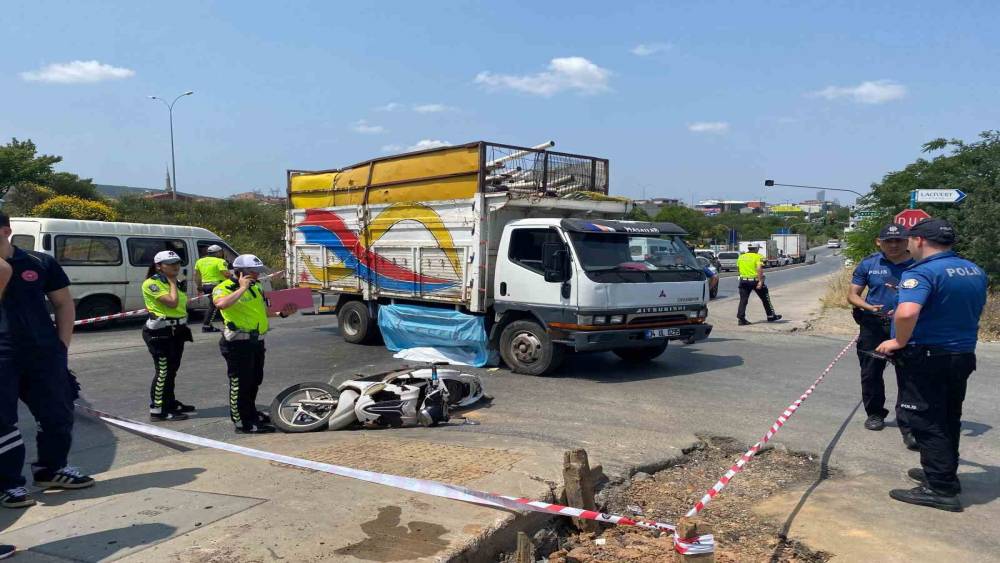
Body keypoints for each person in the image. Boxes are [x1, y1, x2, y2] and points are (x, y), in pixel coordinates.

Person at [876, 219, 987, 512]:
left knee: (925, 420)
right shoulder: (973, 270)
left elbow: (907, 312)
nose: (907, 245)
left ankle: (939, 488)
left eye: (909, 240)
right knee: (949, 416)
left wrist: (898, 340)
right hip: (961, 353)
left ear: (920, 241)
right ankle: (944, 473)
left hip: (927, 356)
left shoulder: (921, 272)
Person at [0, 212, 94, 512]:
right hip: (3, 355)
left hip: (43, 353)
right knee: (3, 422)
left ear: (6, 231)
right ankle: (8, 483)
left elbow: (63, 303)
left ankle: (51, 469)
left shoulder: (39, 262)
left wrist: (61, 346)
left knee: (58, 413)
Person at [213, 254, 298, 434]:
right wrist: (242, 288)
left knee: (254, 380)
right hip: (237, 343)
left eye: (258, 272)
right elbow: (221, 304)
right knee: (240, 383)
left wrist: (282, 313)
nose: (257, 275)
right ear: (240, 272)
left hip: (256, 341)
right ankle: (241, 422)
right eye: (253, 272)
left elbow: (263, 311)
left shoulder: (257, 286)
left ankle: (251, 413)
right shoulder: (223, 287)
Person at [847, 223, 915, 445]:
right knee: (870, 373)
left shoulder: (919, 264)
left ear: (907, 241)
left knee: (909, 375)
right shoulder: (869, 263)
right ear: (879, 242)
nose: (894, 245)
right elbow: (853, 295)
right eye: (888, 241)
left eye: (898, 240)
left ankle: (908, 423)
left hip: (907, 326)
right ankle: (875, 414)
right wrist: (868, 307)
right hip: (874, 325)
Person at [142, 250, 196, 421]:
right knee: (163, 372)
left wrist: (174, 283)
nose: (176, 266)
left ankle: (169, 402)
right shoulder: (152, 283)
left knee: (172, 370)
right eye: (170, 264)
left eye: (177, 263)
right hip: (160, 332)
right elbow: (172, 303)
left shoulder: (175, 282)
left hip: (177, 331)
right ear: (159, 266)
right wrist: (173, 283)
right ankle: (158, 409)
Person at [735, 244, 781, 325]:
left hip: (743, 281)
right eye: (758, 249)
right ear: (756, 249)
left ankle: (741, 319)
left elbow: (738, 269)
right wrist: (760, 281)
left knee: (743, 300)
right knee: (765, 297)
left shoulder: (741, 257)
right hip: (755, 281)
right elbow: (759, 268)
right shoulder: (758, 256)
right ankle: (771, 315)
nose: (758, 250)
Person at [194, 245, 231, 333]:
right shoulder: (220, 261)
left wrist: (199, 287)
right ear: (218, 252)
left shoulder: (199, 261)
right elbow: (226, 274)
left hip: (206, 286)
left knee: (218, 305)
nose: (222, 253)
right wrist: (235, 279)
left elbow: (197, 276)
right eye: (221, 252)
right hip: (218, 286)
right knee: (215, 305)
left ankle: (227, 323)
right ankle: (207, 326)